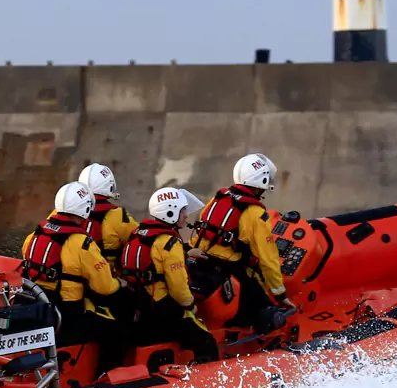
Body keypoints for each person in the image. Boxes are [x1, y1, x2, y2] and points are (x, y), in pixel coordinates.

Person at [20, 181, 132, 374]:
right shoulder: (82, 243)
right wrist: (120, 283)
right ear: (86, 209)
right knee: (118, 331)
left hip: (35, 304)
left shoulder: (35, 234)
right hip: (68, 313)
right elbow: (104, 287)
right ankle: (105, 377)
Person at [189, 153, 294, 332]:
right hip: (228, 270)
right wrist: (280, 294)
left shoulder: (219, 198)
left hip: (199, 263)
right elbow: (268, 259)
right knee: (267, 309)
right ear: (261, 180)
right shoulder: (255, 214)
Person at [120, 187, 220, 364]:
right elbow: (179, 288)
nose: (186, 216)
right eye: (183, 211)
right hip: (164, 309)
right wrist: (190, 305)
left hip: (142, 305)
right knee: (206, 342)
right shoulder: (170, 242)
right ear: (170, 212)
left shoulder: (140, 234)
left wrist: (186, 251)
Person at [77, 163, 138, 270]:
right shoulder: (117, 215)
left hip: (66, 275)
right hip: (104, 275)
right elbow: (139, 240)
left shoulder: (63, 210)